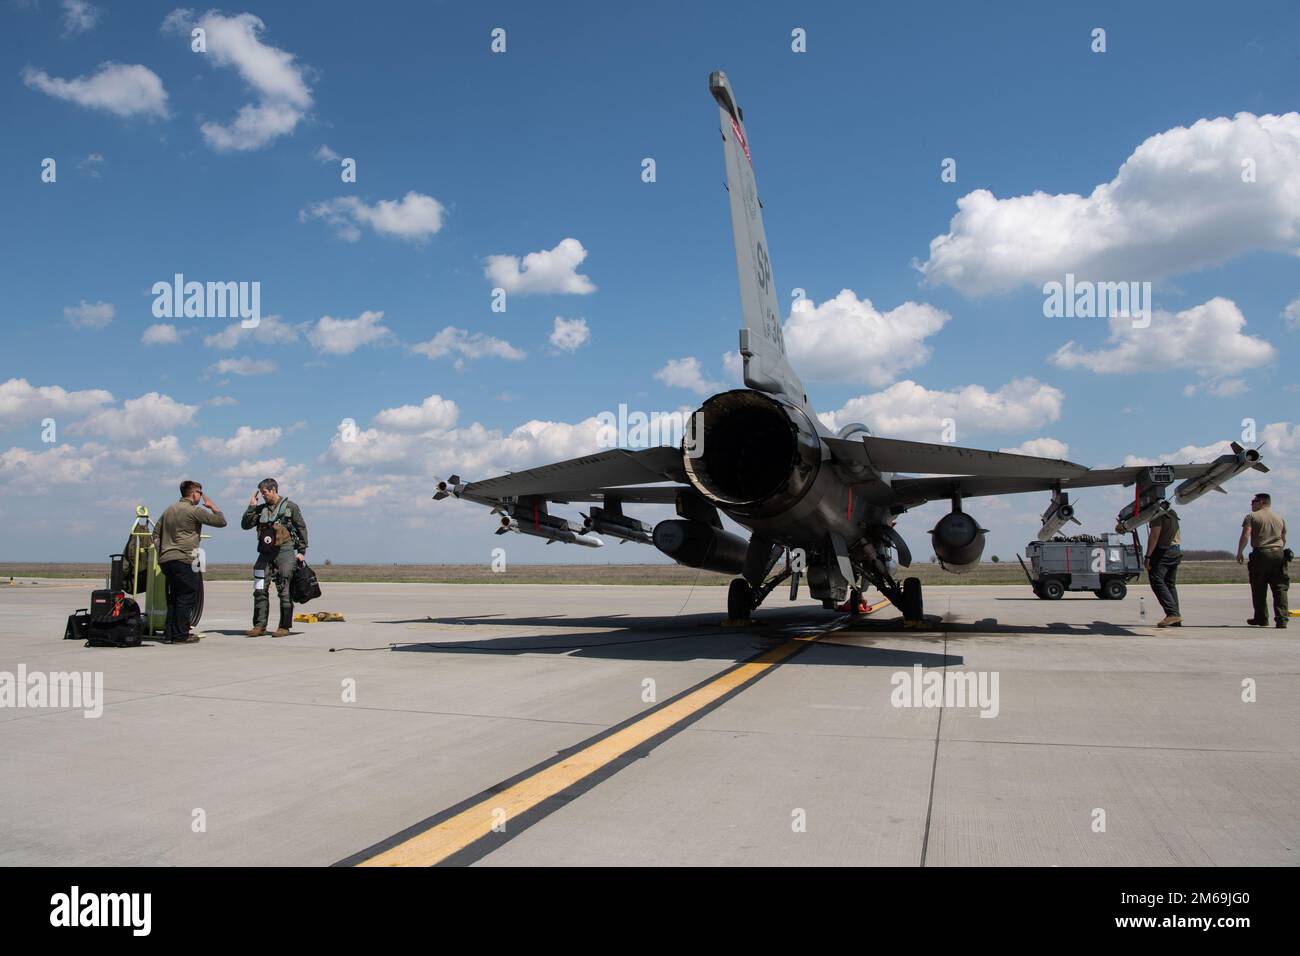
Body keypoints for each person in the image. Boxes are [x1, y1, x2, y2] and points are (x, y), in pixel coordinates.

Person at [152, 480, 226, 644]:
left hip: (166, 560)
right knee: (187, 596)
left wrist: (162, 551)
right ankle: (181, 635)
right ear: (193, 493)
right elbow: (221, 522)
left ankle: (169, 634)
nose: (202, 495)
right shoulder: (194, 511)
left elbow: (155, 533)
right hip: (184, 558)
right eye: (200, 492)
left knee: (174, 597)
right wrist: (213, 507)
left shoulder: (169, 510)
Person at [240, 477, 308, 637]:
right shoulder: (260, 509)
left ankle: (284, 627)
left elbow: (301, 528)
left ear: (273, 490)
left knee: (284, 590)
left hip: (285, 552)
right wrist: (251, 507)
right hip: (265, 553)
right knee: (259, 589)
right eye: (262, 494)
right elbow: (245, 525)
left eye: (265, 493)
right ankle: (259, 626)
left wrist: (301, 551)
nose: (263, 496)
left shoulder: (291, 507)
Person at [1237, 493, 1289, 629]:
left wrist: (1240, 551)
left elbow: (1246, 534)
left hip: (1261, 554)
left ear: (1261, 502)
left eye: (1253, 501)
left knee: (1259, 587)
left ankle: (1261, 618)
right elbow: (1283, 538)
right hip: (1279, 554)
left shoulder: (1251, 517)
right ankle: (1282, 619)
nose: (1251, 504)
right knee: (1280, 588)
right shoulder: (1279, 518)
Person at [1144, 507, 1182, 627]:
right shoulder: (1172, 513)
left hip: (1164, 552)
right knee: (1169, 584)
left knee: (1156, 580)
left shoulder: (1157, 513)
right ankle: (1176, 617)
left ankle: (1172, 613)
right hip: (1175, 550)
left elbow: (1154, 536)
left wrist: (1148, 556)